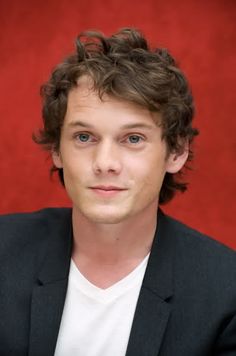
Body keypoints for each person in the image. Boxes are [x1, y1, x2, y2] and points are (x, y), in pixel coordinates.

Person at [0, 28, 235, 356]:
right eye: (84, 137)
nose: (105, 163)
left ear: (176, 152)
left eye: (133, 138)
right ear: (57, 149)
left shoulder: (226, 291)